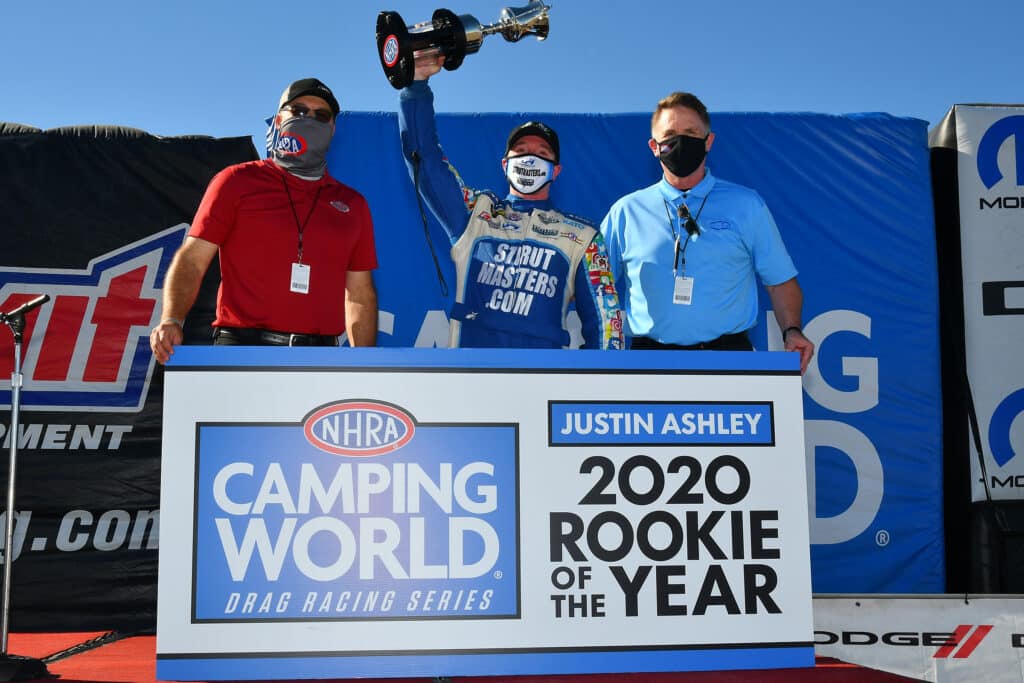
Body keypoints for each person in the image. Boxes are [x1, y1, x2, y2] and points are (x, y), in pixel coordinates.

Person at [397, 54, 624, 350]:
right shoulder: (475, 212)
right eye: (521, 150)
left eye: (542, 153)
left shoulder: (584, 236)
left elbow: (606, 326)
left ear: (556, 171)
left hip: (543, 376)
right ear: (505, 164)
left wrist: (598, 378)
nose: (530, 157)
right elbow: (425, 162)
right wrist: (415, 86)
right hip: (470, 372)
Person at [150, 78, 378, 363]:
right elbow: (193, 259)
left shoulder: (352, 204)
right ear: (280, 119)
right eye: (299, 111)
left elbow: (359, 293)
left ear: (332, 129)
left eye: (321, 116)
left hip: (320, 359)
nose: (309, 119)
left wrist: (364, 366)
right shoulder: (237, 181)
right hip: (242, 352)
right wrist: (171, 318)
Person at [600, 91, 814, 372]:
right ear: (654, 146)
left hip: (730, 361)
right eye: (670, 134)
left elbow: (780, 282)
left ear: (708, 141)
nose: (681, 141)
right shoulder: (626, 212)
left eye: (691, 133)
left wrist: (792, 330)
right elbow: (594, 284)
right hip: (648, 362)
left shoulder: (746, 205)